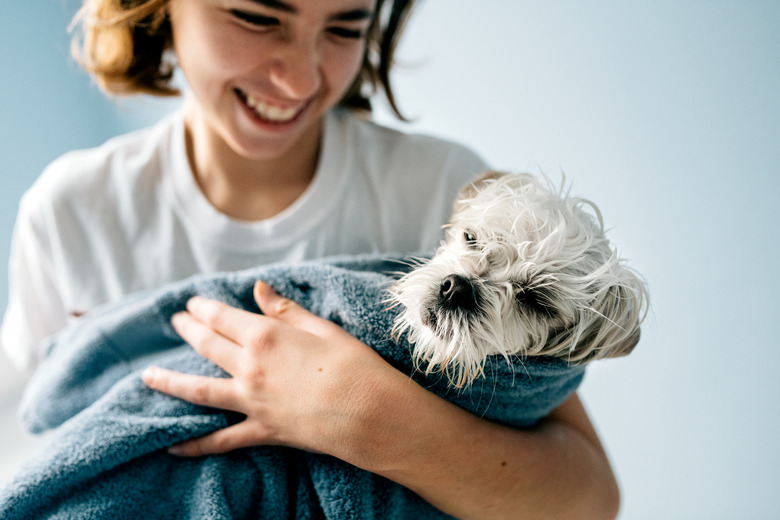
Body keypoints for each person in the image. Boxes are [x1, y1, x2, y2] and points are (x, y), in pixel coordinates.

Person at [1, 0, 620, 518]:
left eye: (345, 27)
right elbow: (28, 433)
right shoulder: (70, 213)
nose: (299, 78)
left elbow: (587, 500)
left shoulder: (449, 191)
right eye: (256, 16)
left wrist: (367, 418)